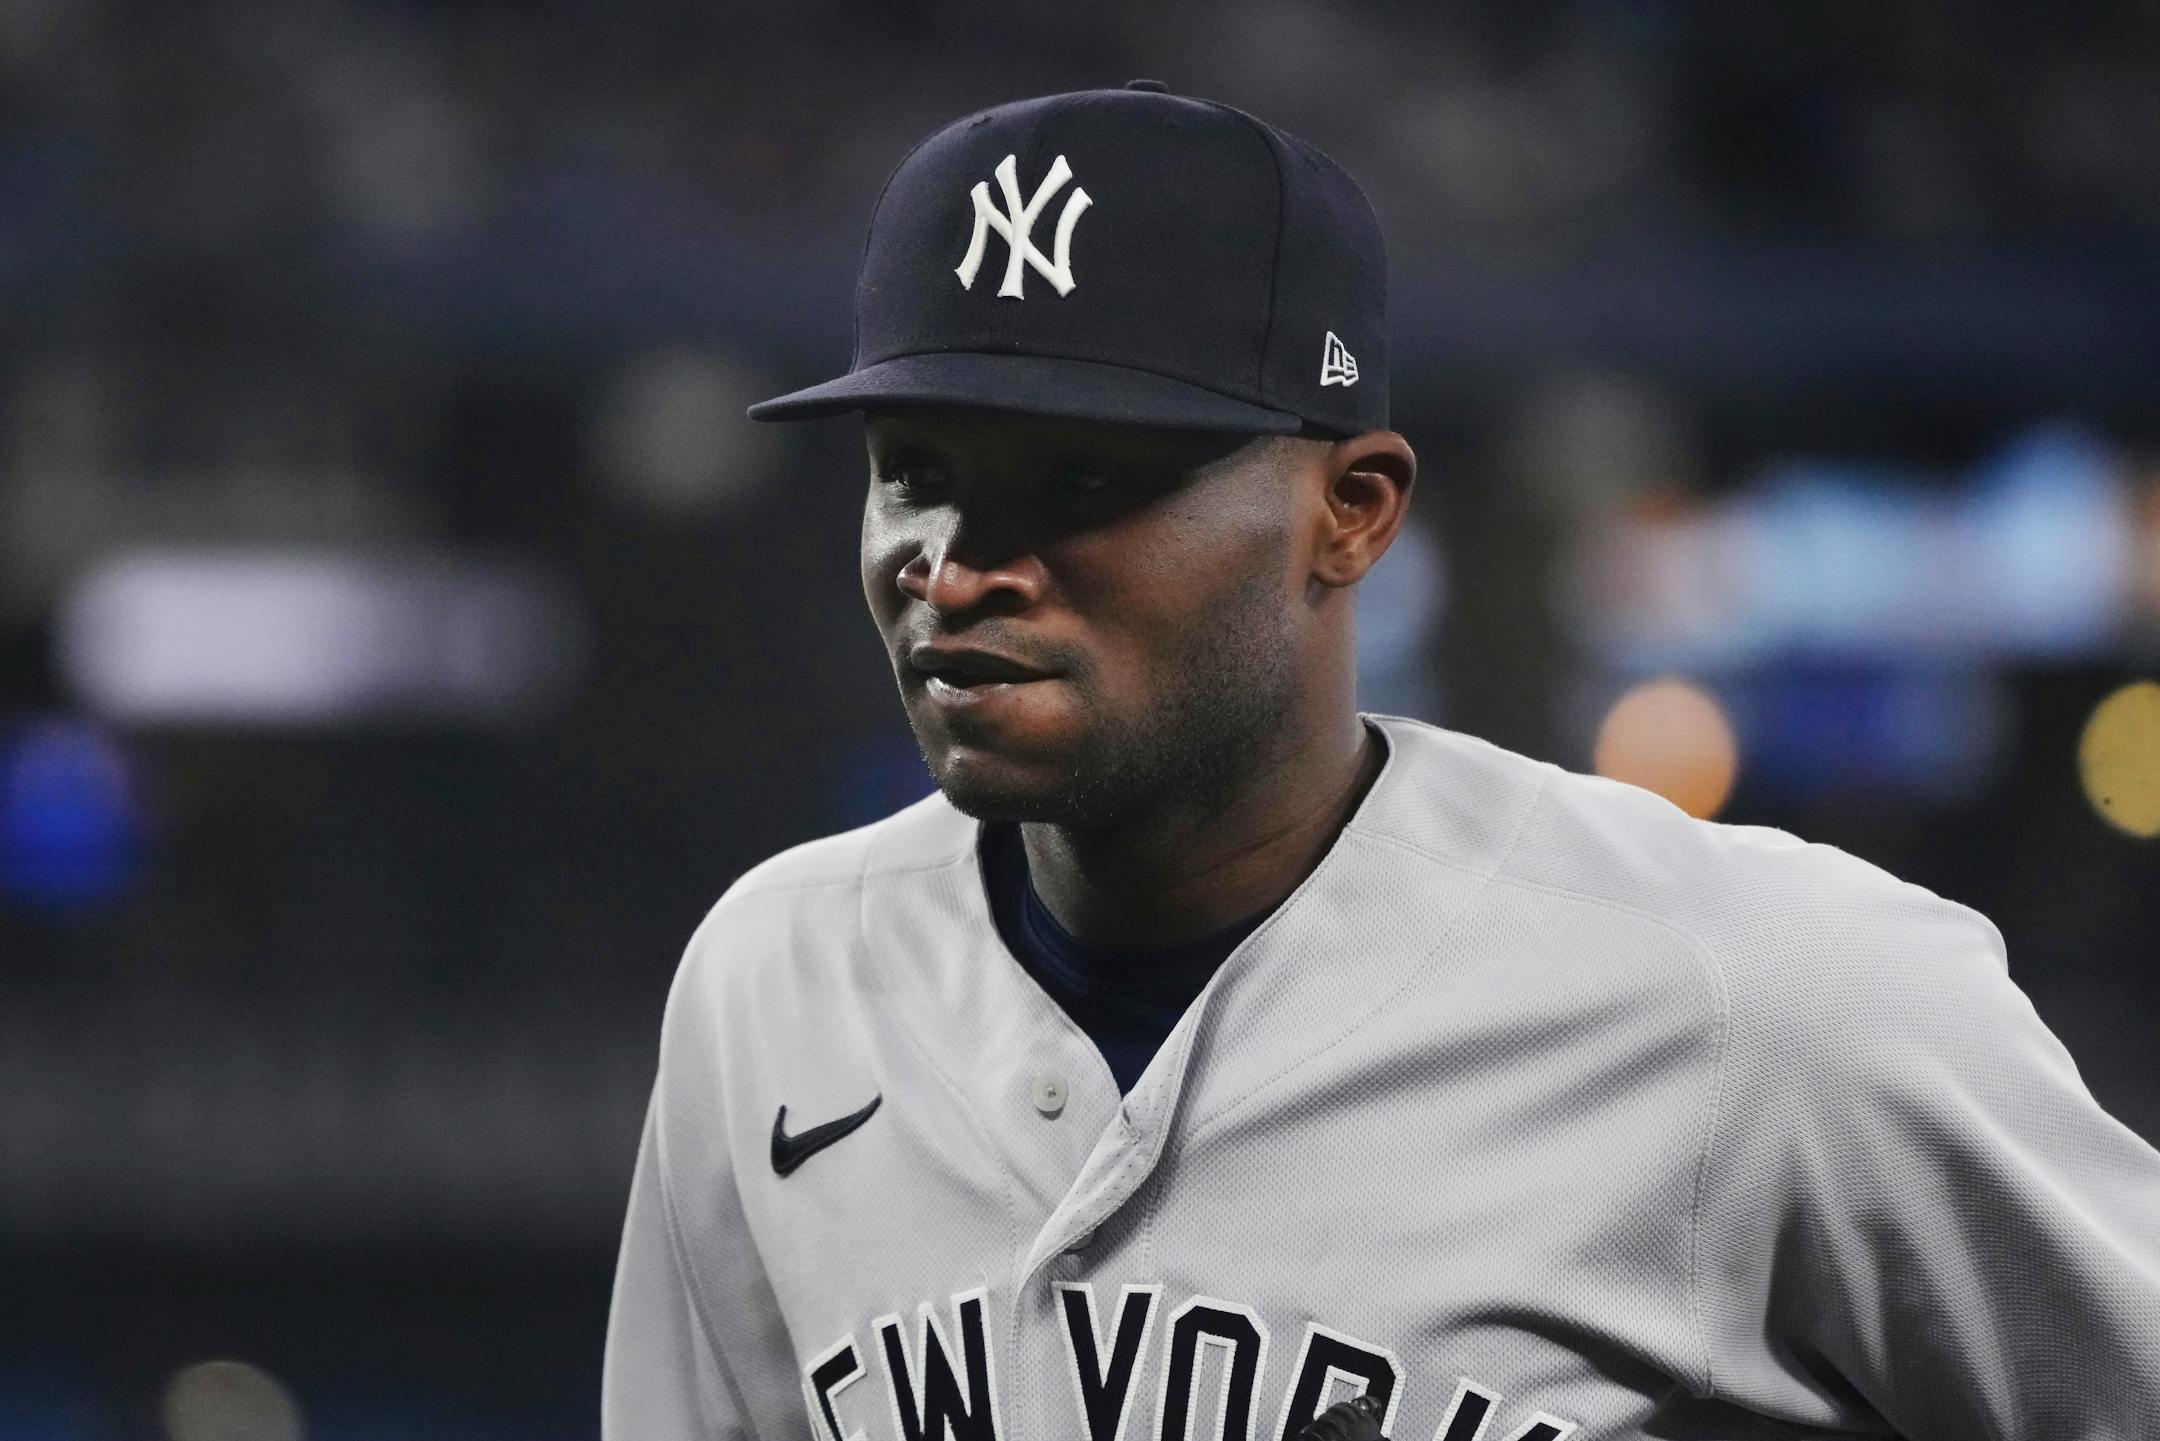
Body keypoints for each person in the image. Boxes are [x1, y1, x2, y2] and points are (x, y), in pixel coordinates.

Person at [602, 83, 2160, 1441]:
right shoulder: (767, 984)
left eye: (1081, 478)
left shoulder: (1771, 1000)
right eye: (917, 474)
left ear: (1352, 509)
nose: (957, 562)